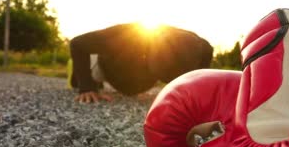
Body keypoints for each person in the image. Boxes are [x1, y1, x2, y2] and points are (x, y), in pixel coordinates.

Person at [68, 23, 213, 103]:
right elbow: (77, 44)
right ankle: (77, 74)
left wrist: (197, 93)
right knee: (80, 80)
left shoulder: (202, 47)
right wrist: (87, 87)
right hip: (104, 67)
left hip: (136, 80)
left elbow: (205, 62)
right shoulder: (128, 34)